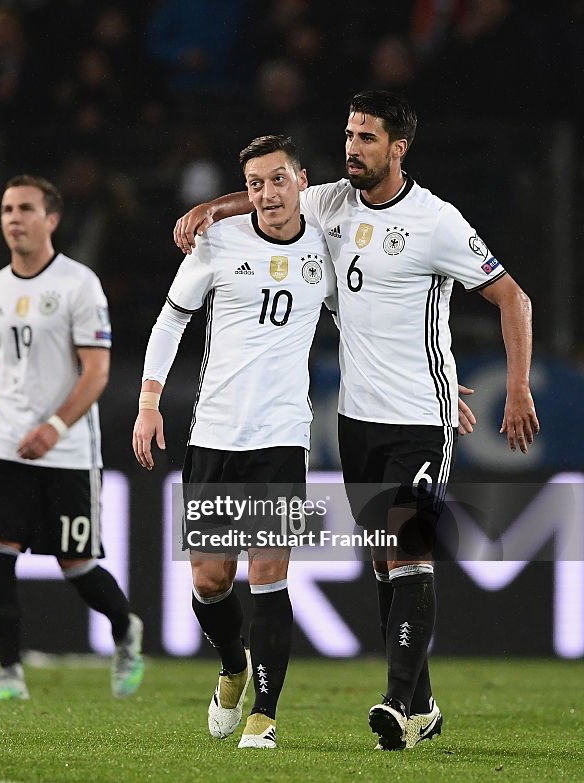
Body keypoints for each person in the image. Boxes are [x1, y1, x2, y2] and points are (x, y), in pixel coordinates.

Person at [172, 90, 540, 751]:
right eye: (349, 134)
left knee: (407, 546)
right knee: (382, 558)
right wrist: (211, 208)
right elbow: (268, 198)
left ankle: (397, 705)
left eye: (367, 138)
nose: (352, 147)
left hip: (421, 417)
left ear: (399, 147)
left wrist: (514, 387)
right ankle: (422, 703)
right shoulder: (333, 203)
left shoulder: (437, 222)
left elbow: (513, 297)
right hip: (357, 420)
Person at [135, 135, 334, 749]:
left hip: (281, 437)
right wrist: (148, 403)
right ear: (243, 191)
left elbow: (373, 324)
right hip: (215, 433)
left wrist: (438, 375)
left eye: (278, 179)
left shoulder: (327, 246)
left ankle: (265, 717)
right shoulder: (218, 243)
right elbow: (172, 318)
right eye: (254, 184)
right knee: (210, 581)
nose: (267, 193)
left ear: (302, 182)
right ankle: (232, 667)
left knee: (269, 574)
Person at [0, 174, 144, 700]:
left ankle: (125, 628)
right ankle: (9, 675)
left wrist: (55, 427)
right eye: (6, 210)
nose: (14, 219)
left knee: (75, 562)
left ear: (52, 219)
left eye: (25, 209)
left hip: (67, 449)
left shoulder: (78, 284)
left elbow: (97, 372)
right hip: (7, 442)